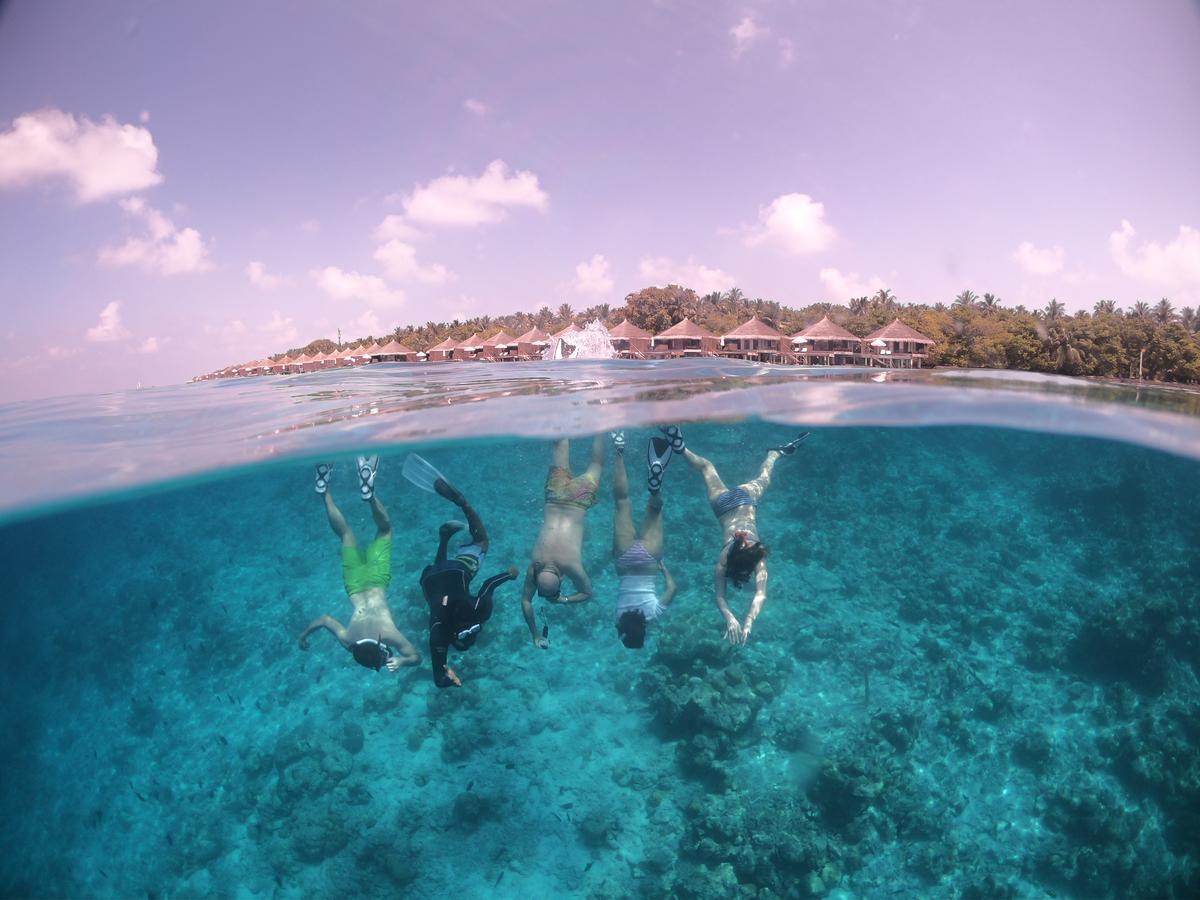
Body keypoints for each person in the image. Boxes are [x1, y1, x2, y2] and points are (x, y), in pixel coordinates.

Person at [670, 427, 810, 646]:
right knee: (707, 468)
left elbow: (760, 595)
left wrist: (748, 621)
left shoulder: (757, 558)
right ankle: (682, 449)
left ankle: (774, 455)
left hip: (745, 500)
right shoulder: (725, 559)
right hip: (722, 506)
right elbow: (722, 597)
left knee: (763, 478)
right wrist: (733, 618)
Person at [298, 456, 421, 671]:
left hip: (376, 580)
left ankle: (370, 496)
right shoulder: (348, 640)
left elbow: (415, 657)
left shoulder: (390, 636)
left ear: (380, 646)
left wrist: (403, 661)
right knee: (345, 534)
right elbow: (324, 620)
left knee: (385, 530)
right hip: (354, 584)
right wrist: (304, 635)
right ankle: (324, 491)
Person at [419, 472, 518, 688]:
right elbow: (438, 677)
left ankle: (463, 503)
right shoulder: (439, 635)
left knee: (482, 541)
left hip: (456, 571)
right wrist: (447, 678)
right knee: (440, 580)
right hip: (429, 580)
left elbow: (489, 584)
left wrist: (509, 575)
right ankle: (444, 537)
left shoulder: (480, 610)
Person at [521, 435, 606, 649]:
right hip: (554, 495)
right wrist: (535, 634)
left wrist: (564, 599)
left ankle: (601, 425)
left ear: (561, 576)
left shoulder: (571, 566)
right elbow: (525, 601)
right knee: (560, 442)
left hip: (579, 500)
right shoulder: (536, 564)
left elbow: (587, 593)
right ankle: (562, 413)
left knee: (596, 463)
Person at [610, 431, 677, 649]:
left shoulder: (654, 617)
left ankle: (655, 486)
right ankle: (619, 449)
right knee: (622, 501)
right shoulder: (617, 619)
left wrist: (663, 569)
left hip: (650, 562)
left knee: (655, 507)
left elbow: (672, 589)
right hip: (624, 559)